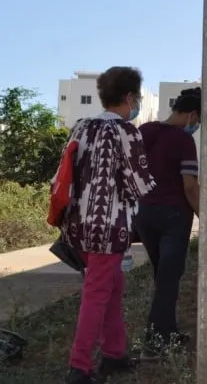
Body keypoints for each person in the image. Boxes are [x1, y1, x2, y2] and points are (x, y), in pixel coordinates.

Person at [63, 67, 156, 384]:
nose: (137, 103)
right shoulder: (126, 133)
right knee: (98, 293)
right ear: (129, 97)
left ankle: (115, 354)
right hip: (108, 228)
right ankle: (79, 367)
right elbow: (139, 185)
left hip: (78, 225)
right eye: (137, 97)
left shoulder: (81, 127)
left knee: (112, 287)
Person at [134, 87, 202, 357]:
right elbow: (190, 186)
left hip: (144, 213)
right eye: (199, 120)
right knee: (169, 278)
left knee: (162, 276)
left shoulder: (145, 131)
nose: (196, 125)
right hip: (174, 216)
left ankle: (168, 331)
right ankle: (155, 340)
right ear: (192, 115)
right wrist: (205, 217)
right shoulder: (184, 141)